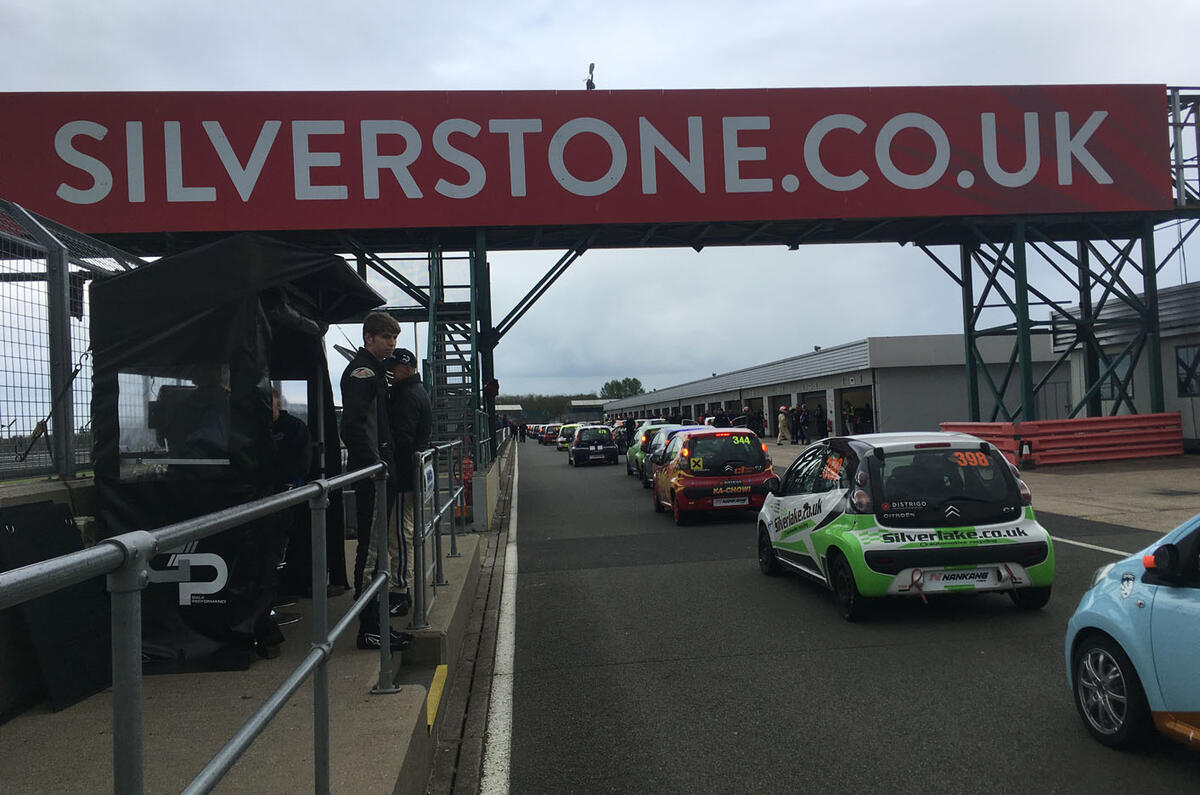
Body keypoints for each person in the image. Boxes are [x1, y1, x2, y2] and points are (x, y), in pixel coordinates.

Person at [339, 311, 409, 651]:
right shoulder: (362, 373)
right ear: (369, 338)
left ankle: (376, 623)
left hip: (382, 472)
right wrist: (374, 466)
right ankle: (368, 627)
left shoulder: (375, 372)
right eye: (386, 338)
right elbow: (351, 427)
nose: (391, 344)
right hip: (374, 477)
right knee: (369, 553)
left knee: (378, 551)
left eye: (394, 339)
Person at [385, 348, 433, 620]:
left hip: (404, 477)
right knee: (405, 531)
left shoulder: (405, 395)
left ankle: (400, 591)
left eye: (393, 367)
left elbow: (402, 439)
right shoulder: (419, 392)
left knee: (400, 534)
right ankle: (403, 587)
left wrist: (391, 469)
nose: (390, 372)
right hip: (414, 474)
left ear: (406, 368)